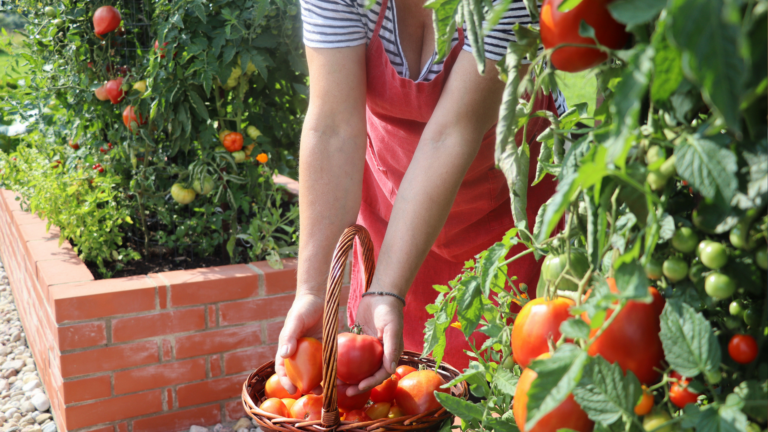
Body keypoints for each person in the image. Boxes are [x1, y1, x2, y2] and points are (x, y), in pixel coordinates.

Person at [275, 0, 566, 397]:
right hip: (394, 213)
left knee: (510, 390)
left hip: (512, 219)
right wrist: (313, 292)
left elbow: (452, 132)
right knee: (405, 393)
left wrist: (387, 288)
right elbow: (332, 128)